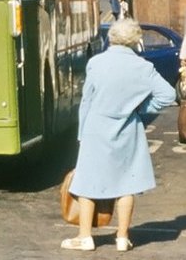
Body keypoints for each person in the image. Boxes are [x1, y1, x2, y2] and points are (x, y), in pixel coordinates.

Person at [61, 18, 176, 252]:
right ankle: (122, 238)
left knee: (87, 184)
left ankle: (85, 237)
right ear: (135, 40)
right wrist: (141, 109)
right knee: (126, 184)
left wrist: (82, 133)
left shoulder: (96, 63)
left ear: (111, 37)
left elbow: (87, 100)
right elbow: (168, 94)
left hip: (96, 126)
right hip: (128, 128)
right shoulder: (143, 67)